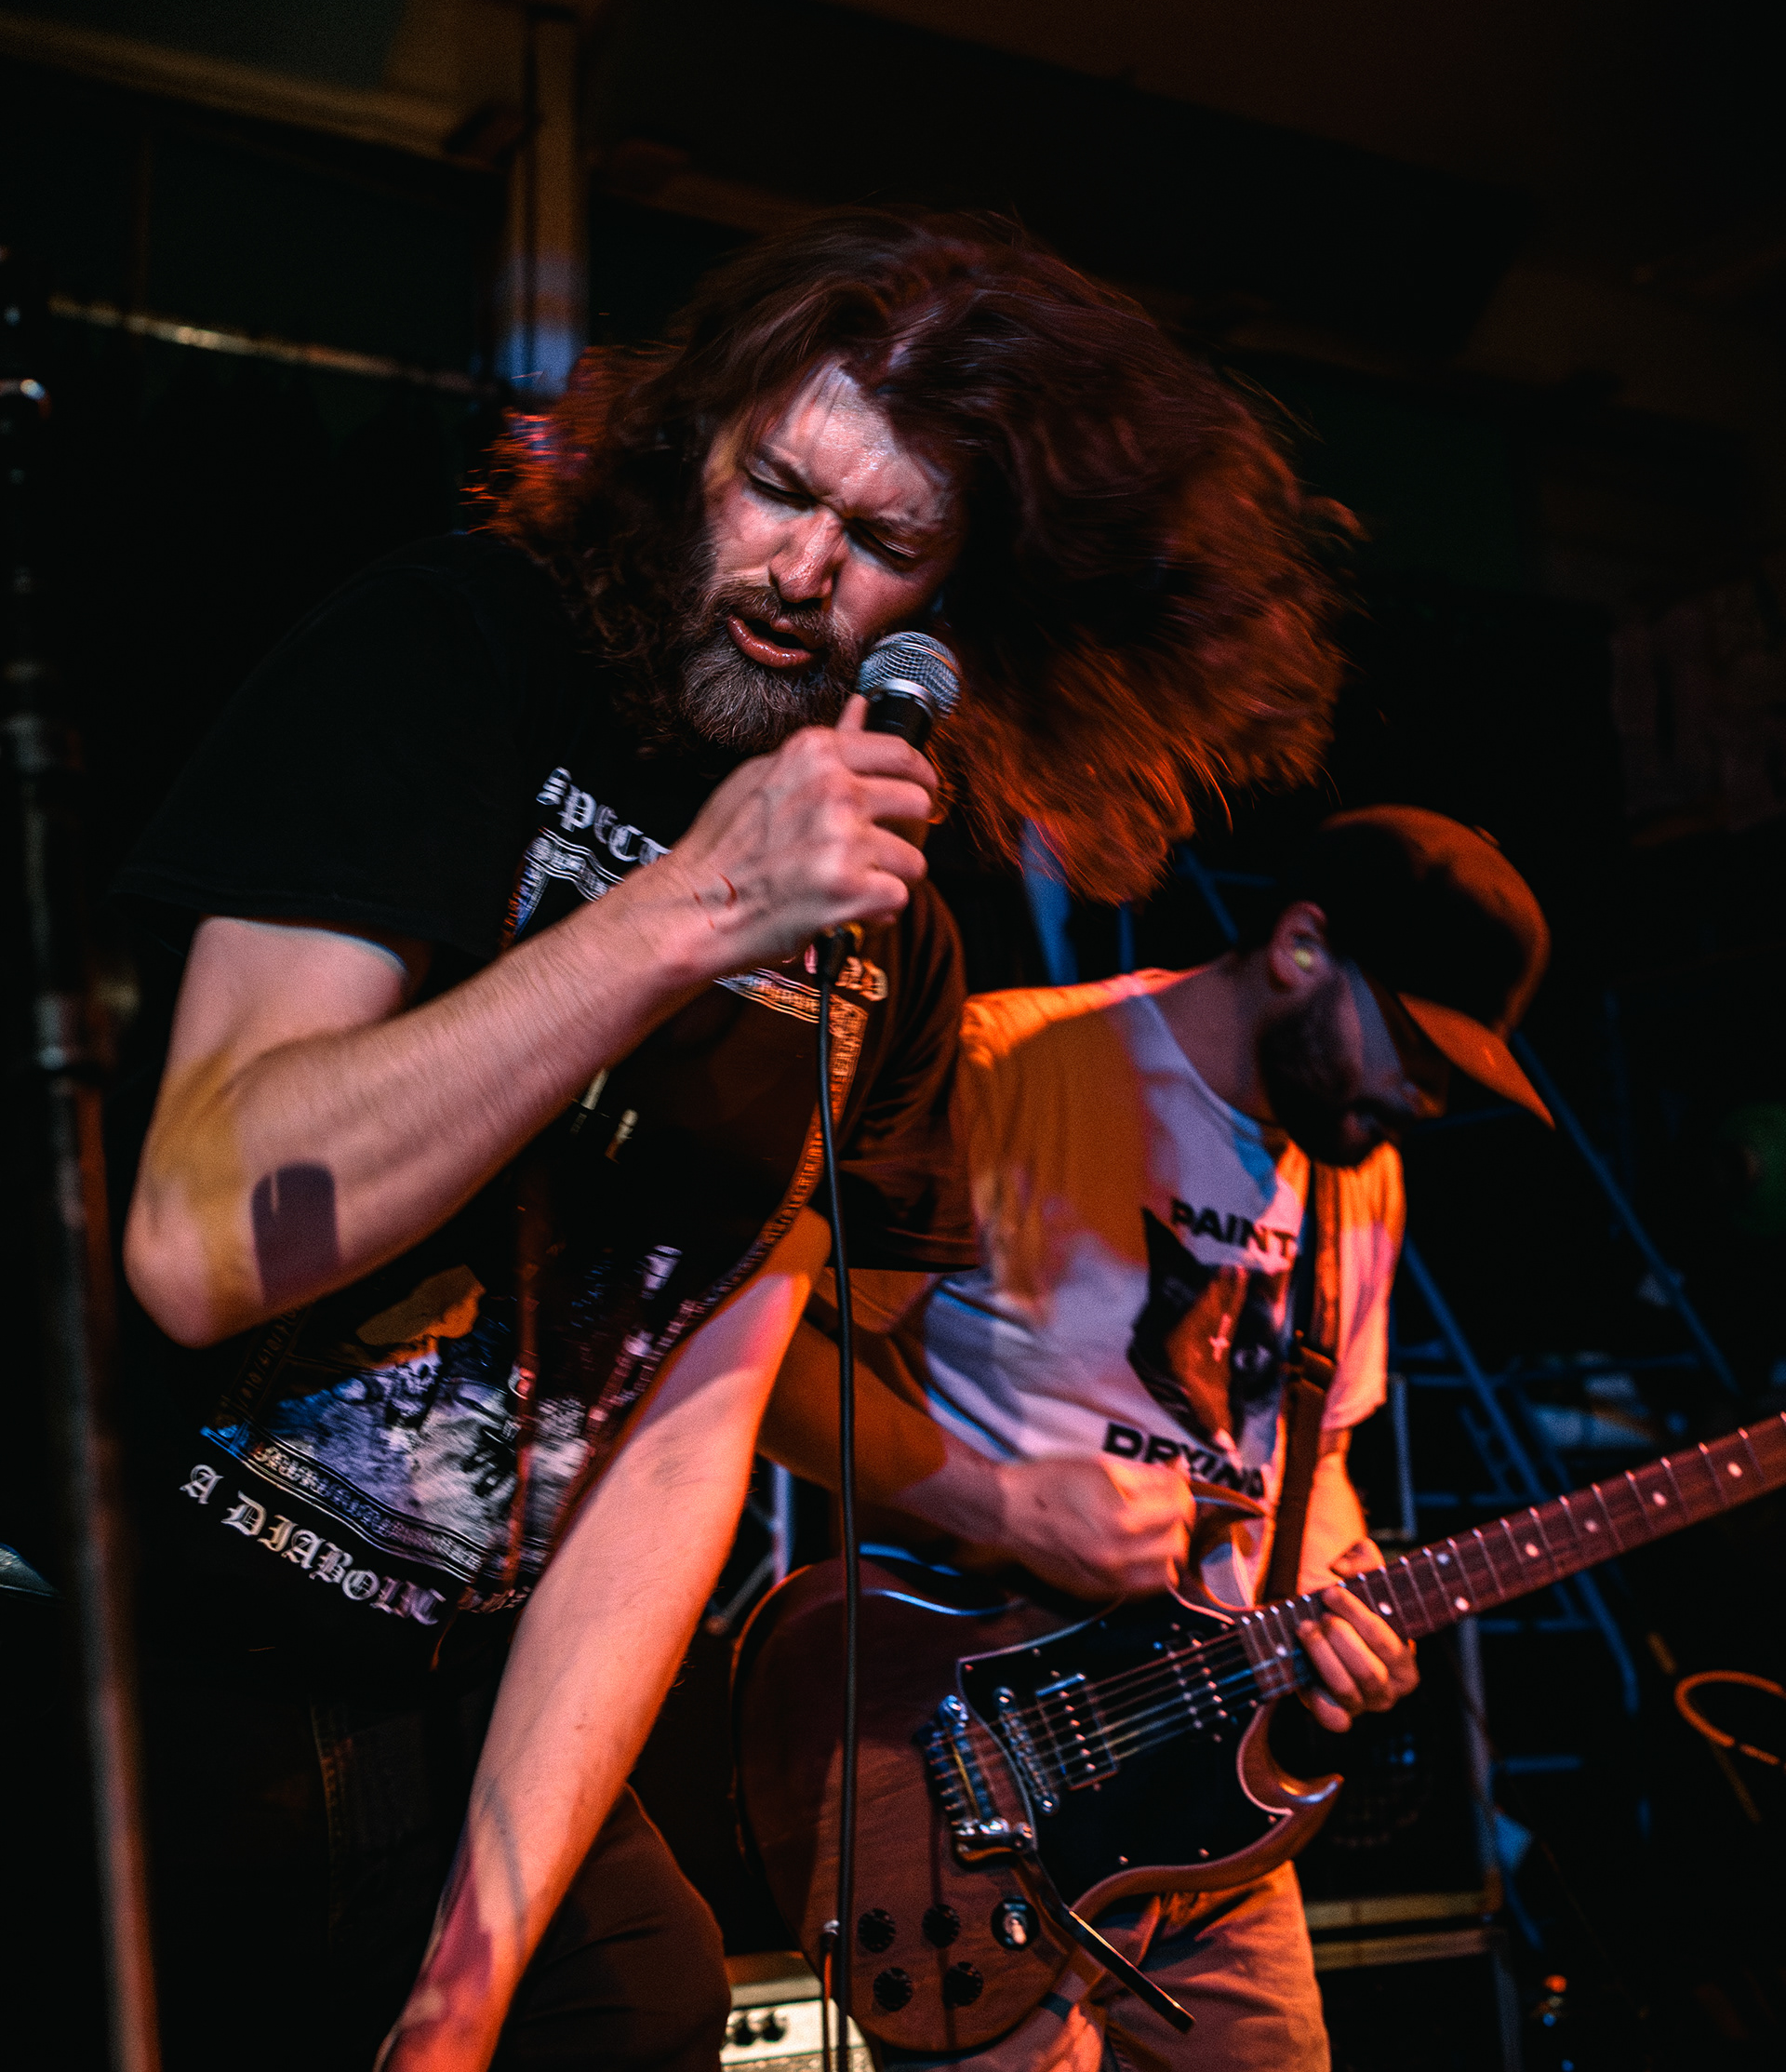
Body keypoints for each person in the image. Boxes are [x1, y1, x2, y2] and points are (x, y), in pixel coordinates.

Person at [106, 209, 1345, 2072]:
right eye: (776, 488)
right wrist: (688, 911)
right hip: (153, 1625)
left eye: (884, 544)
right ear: (693, 445)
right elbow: (205, 1243)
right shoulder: (458, 649)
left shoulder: (891, 951)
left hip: (456, 1696)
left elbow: (684, 1444)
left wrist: (465, 1991)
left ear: (956, 602)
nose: (800, 569)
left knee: (641, 2008)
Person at [760, 806, 1553, 2071]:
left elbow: (1316, 1461)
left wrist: (1351, 1602)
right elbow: (766, 1369)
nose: (1426, 1095)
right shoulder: (1006, 1068)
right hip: (979, 1778)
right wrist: (1004, 1505)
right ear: (1300, 947)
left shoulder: (1360, 1175)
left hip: (1212, 1799)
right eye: (1412, 1043)